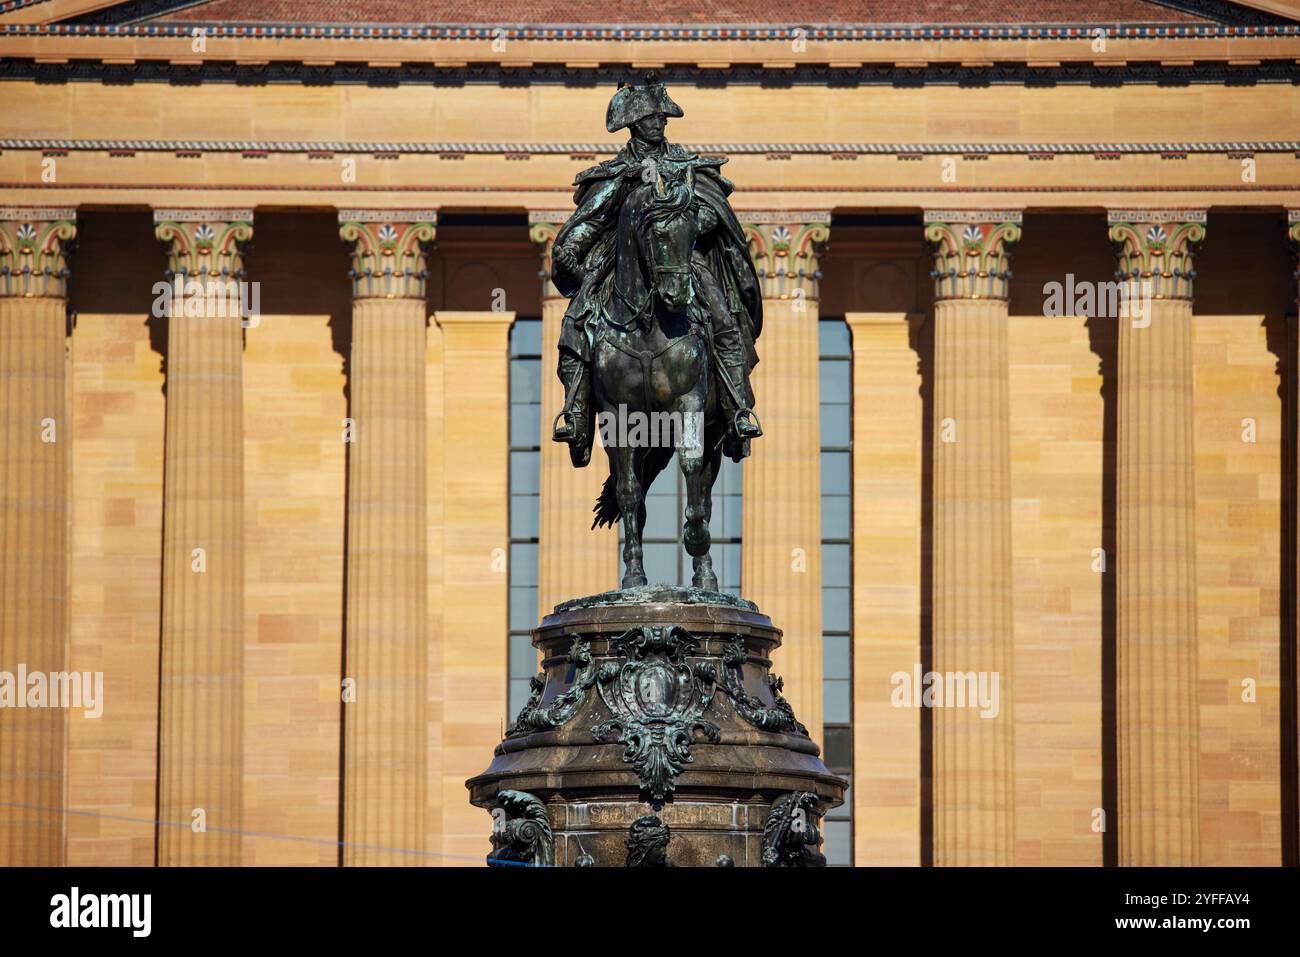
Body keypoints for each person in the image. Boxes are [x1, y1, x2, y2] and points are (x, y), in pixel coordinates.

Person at [549, 74, 764, 468]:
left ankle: (737, 408)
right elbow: (590, 221)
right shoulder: (616, 173)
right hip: (622, 267)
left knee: (721, 314)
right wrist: (572, 250)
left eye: (663, 116)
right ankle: (575, 413)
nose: (660, 122)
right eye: (652, 116)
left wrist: (684, 227)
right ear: (634, 122)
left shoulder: (686, 165)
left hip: (679, 262)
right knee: (577, 321)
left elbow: (714, 213)